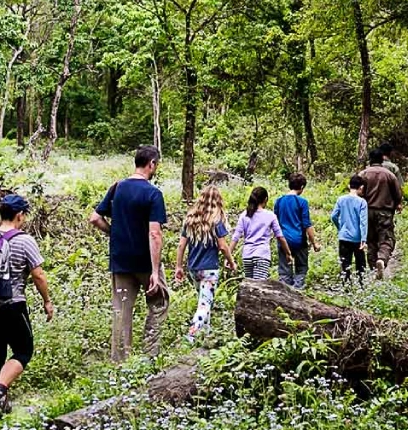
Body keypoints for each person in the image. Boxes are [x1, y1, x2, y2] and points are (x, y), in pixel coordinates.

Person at [0, 194, 54, 418]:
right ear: (19, 215)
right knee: (23, 350)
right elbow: (38, 275)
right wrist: (47, 301)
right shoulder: (24, 240)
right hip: (12, 305)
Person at [89, 145, 169, 362]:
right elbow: (154, 234)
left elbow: (95, 218)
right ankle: (150, 352)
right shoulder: (153, 193)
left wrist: (114, 233)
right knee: (159, 303)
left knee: (121, 311)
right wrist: (154, 270)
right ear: (151, 164)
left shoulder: (117, 188)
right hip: (144, 261)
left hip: (121, 261)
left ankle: (121, 361)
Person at [174, 185, 237, 340]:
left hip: (193, 269)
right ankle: (192, 335)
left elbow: (181, 245)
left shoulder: (190, 219)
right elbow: (223, 246)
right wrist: (232, 262)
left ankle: (207, 334)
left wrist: (179, 266)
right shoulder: (216, 221)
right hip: (209, 269)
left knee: (204, 300)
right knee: (205, 304)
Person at [230, 186, 293, 281]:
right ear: (265, 199)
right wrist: (288, 253)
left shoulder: (244, 215)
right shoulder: (270, 215)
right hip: (262, 255)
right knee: (258, 287)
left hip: (247, 256)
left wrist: (229, 255)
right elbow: (280, 237)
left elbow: (236, 237)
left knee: (249, 287)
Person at [359, 149, 403, 279]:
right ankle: (382, 260)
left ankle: (374, 269)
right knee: (387, 239)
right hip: (384, 211)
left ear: (370, 160)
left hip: (367, 211)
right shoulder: (389, 175)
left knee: (371, 240)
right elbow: (397, 194)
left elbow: (356, 192)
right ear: (382, 160)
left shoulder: (363, 174)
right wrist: (397, 204)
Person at [273, 173, 321, 289]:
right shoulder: (302, 202)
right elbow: (307, 225)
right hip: (299, 240)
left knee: (284, 271)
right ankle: (298, 292)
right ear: (302, 187)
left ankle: (284, 295)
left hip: (283, 240)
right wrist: (314, 243)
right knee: (301, 268)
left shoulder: (279, 201)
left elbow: (275, 222)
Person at [331, 175, 369, 286]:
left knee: (345, 263)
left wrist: (340, 228)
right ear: (361, 187)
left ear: (349, 186)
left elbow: (333, 216)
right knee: (360, 264)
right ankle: (362, 285)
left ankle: (346, 286)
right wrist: (364, 239)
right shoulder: (362, 202)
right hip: (357, 239)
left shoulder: (341, 199)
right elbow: (363, 222)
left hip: (343, 237)